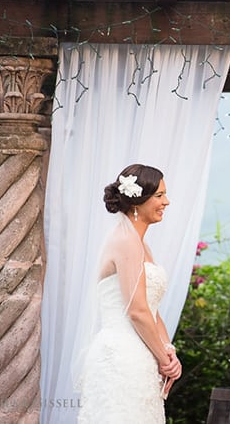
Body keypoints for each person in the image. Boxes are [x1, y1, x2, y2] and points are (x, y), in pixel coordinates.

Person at [76, 164, 182, 423]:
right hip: (122, 357)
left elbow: (151, 309)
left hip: (142, 355)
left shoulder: (141, 244)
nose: (166, 202)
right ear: (138, 201)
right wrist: (163, 358)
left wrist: (169, 352)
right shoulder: (125, 242)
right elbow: (136, 311)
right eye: (159, 196)